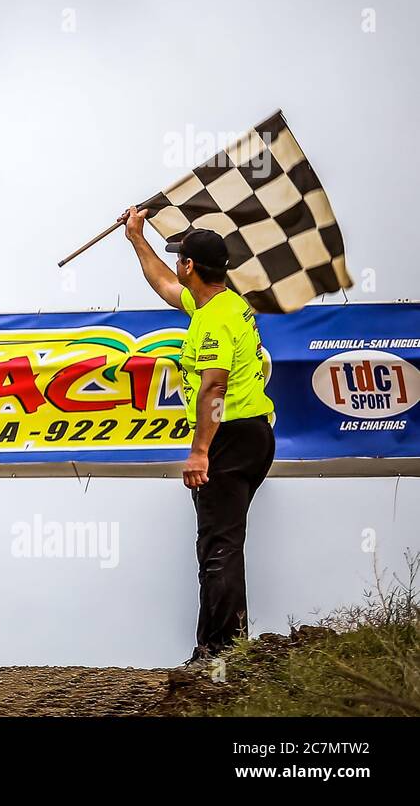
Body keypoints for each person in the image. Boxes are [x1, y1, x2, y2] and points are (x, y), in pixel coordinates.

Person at [121, 207, 276, 668]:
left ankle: (221, 654)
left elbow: (214, 385)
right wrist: (136, 238)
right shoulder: (220, 302)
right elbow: (168, 289)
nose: (175, 267)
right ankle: (226, 645)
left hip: (229, 436)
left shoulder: (213, 320)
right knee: (221, 540)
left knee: (218, 544)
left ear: (190, 265)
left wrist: (200, 451)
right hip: (253, 435)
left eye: (179, 259)